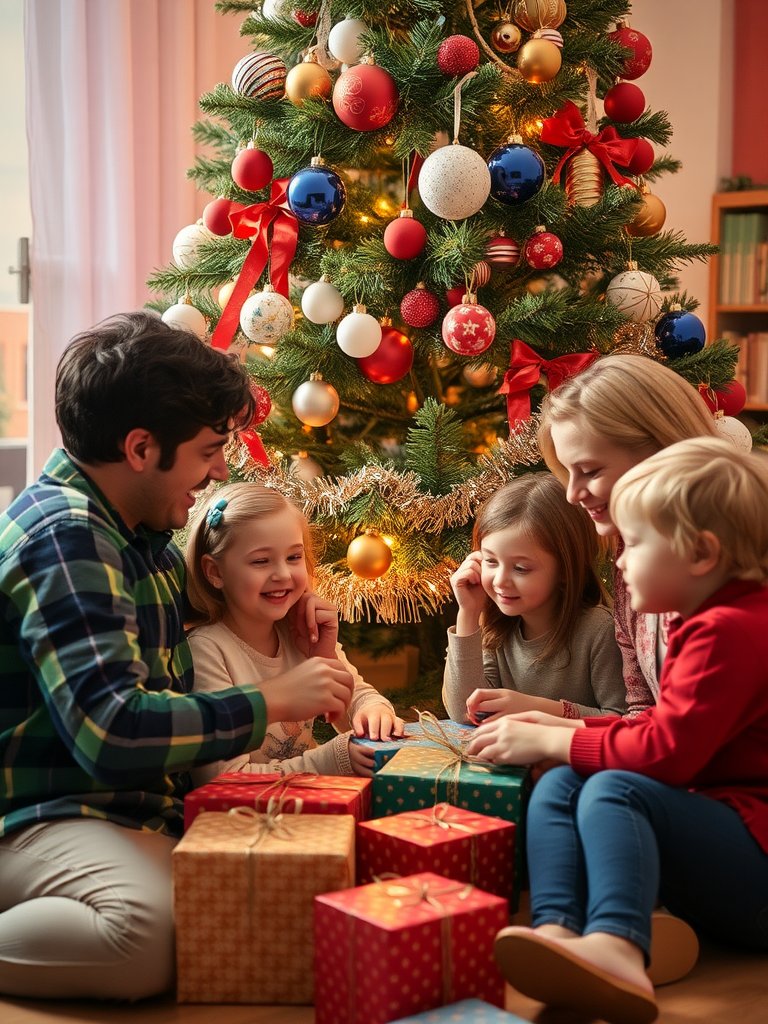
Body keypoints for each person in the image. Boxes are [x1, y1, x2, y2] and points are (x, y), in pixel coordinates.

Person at [0, 313, 355, 1001]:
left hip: (133, 815)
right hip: (49, 818)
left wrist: (295, 634)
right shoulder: (67, 537)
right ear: (140, 447)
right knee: (154, 936)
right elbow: (112, 730)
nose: (221, 469)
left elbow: (209, 631)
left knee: (277, 891)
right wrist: (274, 703)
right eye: (207, 450)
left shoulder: (139, 536)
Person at [465, 438, 768, 1024]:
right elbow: (661, 725)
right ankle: (556, 929)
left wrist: (558, 736)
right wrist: (559, 730)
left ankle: (618, 945)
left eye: (633, 545)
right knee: (561, 779)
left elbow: (668, 754)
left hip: (756, 874)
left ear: (700, 553)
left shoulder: (733, 628)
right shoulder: (701, 621)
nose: (621, 564)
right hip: (725, 839)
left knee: (614, 787)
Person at [185, 481, 404, 782]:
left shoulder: (298, 630)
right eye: (261, 561)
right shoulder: (208, 649)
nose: (283, 574)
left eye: (294, 557)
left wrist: (370, 707)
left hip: (310, 812)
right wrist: (334, 758)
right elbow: (222, 779)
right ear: (215, 572)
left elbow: (357, 698)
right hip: (244, 822)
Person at [538, 353, 718, 717]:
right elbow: (642, 710)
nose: (572, 494)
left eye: (589, 470)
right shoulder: (630, 559)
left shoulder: (719, 573)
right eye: (567, 472)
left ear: (661, 453)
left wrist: (561, 736)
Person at [442, 473, 626, 724]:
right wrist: (468, 613)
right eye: (491, 561)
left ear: (564, 569)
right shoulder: (496, 628)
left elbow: (623, 721)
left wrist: (535, 708)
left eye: (520, 568)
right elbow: (465, 712)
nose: (499, 581)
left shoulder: (600, 630)